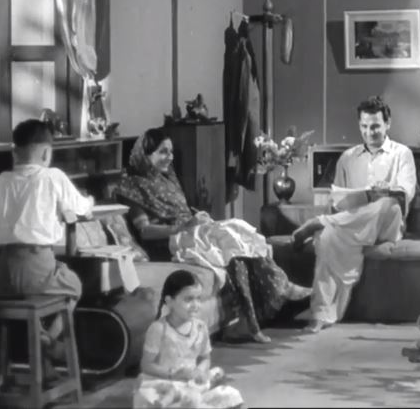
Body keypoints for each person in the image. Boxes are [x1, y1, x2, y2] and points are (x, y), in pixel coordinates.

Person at [115, 127, 311, 344]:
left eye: (170, 152)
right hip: (167, 242)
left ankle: (254, 315)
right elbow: (145, 230)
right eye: (163, 152)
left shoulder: (167, 179)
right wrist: (181, 227)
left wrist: (196, 217)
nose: (169, 157)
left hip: (188, 231)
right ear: (145, 154)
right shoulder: (132, 186)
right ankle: (274, 297)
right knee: (232, 243)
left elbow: (181, 211)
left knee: (238, 237)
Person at [292, 96, 417, 333]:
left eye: (375, 126)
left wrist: (387, 190)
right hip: (352, 224)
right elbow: (339, 200)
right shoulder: (347, 158)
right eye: (364, 126)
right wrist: (347, 203)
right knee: (327, 238)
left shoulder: (402, 154)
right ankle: (321, 314)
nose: (369, 132)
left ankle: (320, 222)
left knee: (388, 203)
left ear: (388, 123)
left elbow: (405, 194)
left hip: (387, 224)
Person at [0, 119, 94, 380]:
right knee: (74, 285)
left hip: (1, 275)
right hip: (37, 267)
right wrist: (89, 201)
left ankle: (43, 366)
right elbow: (81, 207)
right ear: (46, 153)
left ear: (14, 152)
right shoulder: (52, 177)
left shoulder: (2, 180)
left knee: (28, 300)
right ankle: (47, 339)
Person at [133, 269, 244, 409]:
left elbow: (205, 358)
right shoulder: (159, 329)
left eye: (198, 299)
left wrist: (199, 371)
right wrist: (173, 374)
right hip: (164, 382)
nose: (195, 305)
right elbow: (146, 365)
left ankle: (193, 401)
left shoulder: (200, 327)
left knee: (231, 394)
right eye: (188, 299)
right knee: (157, 396)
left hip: (190, 384)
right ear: (169, 301)